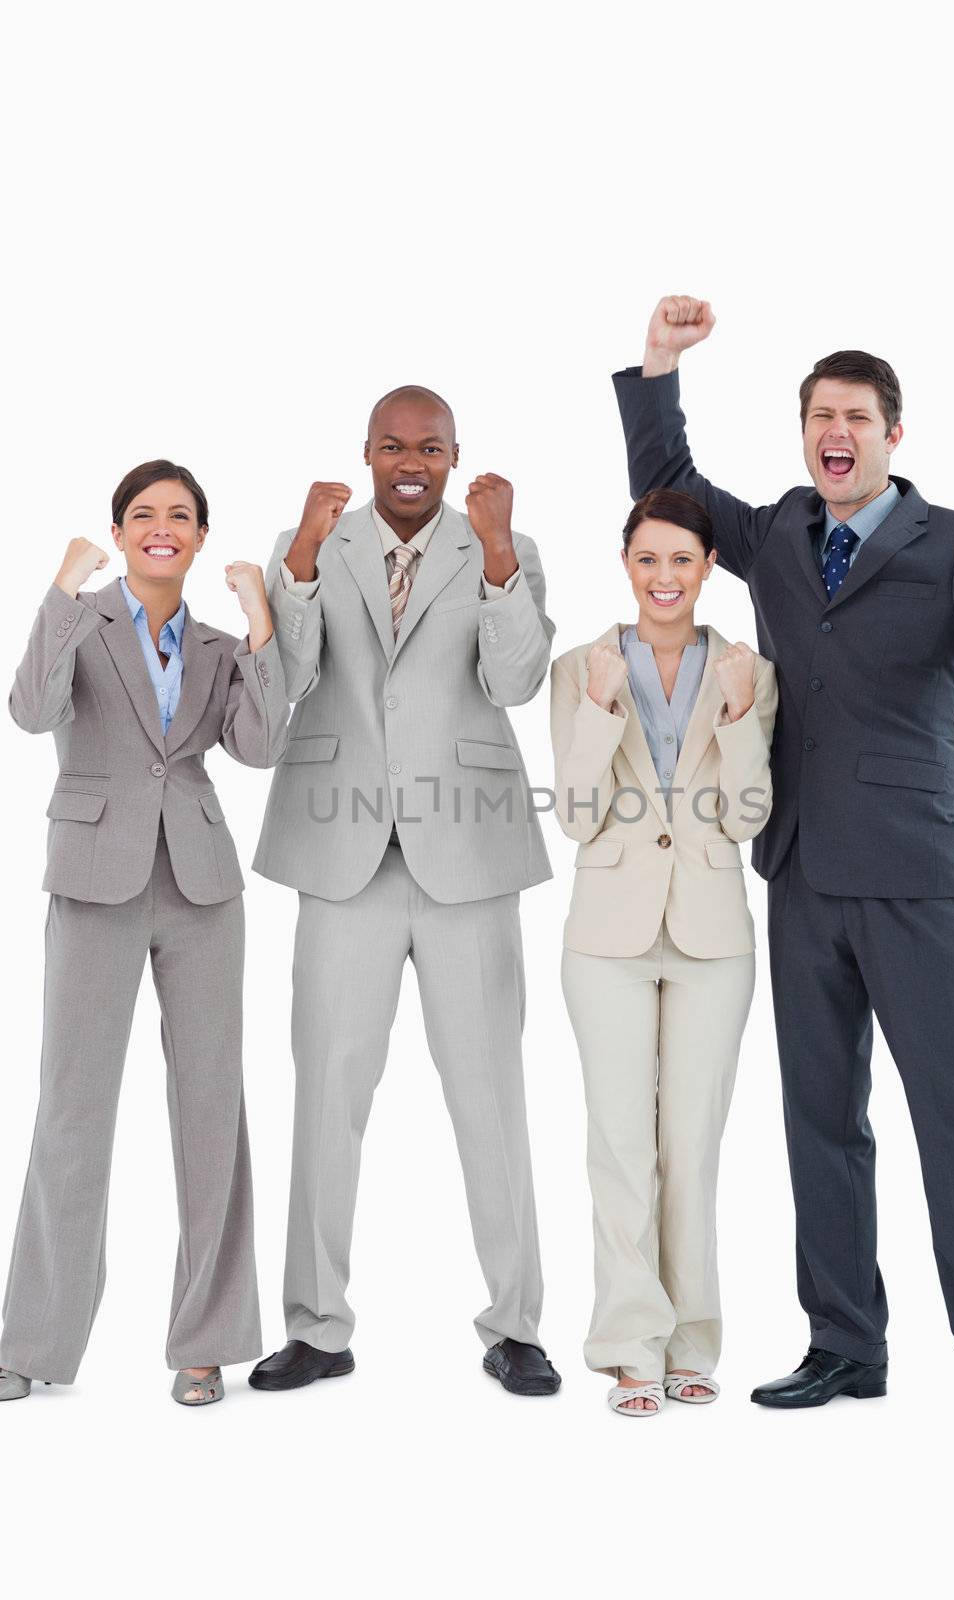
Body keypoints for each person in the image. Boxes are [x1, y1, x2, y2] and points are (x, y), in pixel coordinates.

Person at [612, 297, 954, 1425]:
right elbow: (667, 483)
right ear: (804, 430)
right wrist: (657, 366)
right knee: (819, 1113)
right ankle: (843, 1342)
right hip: (801, 866)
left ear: (890, 436)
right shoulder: (769, 534)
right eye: (820, 414)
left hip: (916, 875)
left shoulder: (953, 540)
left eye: (856, 416)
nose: (836, 431)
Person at [248, 385, 561, 1397]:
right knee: (325, 1096)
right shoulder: (316, 543)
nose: (409, 461)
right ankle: (315, 1325)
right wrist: (296, 553)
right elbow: (290, 675)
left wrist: (503, 552)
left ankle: (513, 1324)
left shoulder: (493, 544)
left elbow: (513, 683)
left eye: (429, 446)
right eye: (392, 446)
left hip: (465, 854)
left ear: (455, 453)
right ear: (369, 452)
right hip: (341, 855)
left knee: (489, 1098)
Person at [0, 460, 288, 1407]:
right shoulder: (79, 623)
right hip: (93, 880)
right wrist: (56, 587)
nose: (160, 527)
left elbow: (257, 747)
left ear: (201, 538)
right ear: (118, 533)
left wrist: (261, 627)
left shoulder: (214, 644)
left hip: (202, 887)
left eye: (179, 516)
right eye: (142, 515)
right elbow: (30, 711)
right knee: (71, 1109)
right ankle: (31, 1338)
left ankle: (204, 1343)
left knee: (212, 1112)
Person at [550, 488, 776, 1417]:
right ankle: (628, 1343)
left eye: (681, 560)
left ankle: (692, 1340)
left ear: (708, 567)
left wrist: (733, 722)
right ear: (626, 565)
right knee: (619, 1144)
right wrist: (601, 711)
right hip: (606, 935)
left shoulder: (748, 672)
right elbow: (572, 815)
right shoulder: (580, 668)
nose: (664, 578)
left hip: (712, 937)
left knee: (691, 1146)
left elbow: (748, 817)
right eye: (647, 559)